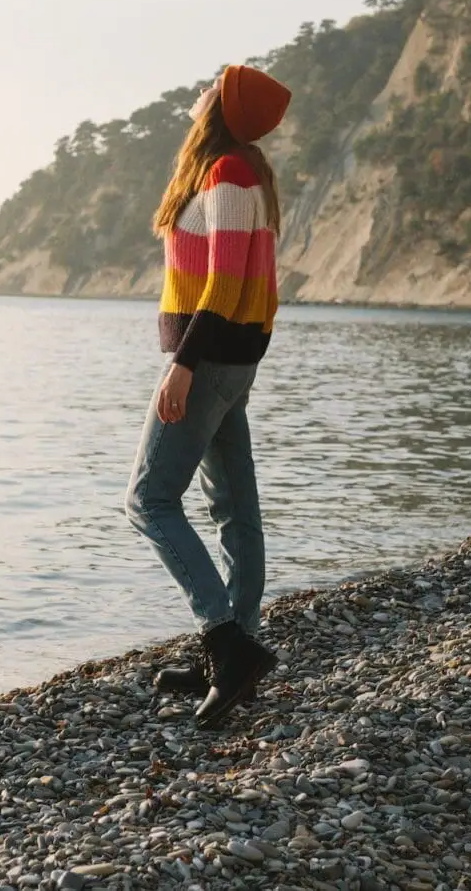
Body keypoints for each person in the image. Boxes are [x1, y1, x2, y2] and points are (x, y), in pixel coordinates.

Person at [124, 63, 291, 729]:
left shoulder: (227, 175)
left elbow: (223, 283)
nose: (197, 93)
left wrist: (183, 365)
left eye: (210, 88)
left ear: (222, 106)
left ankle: (225, 644)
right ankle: (237, 648)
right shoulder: (239, 171)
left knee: (148, 499)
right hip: (230, 360)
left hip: (211, 357)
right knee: (232, 506)